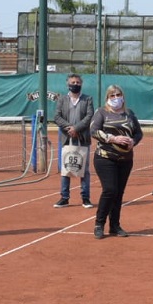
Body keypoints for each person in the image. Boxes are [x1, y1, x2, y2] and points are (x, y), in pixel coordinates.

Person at [90, 84, 143, 240]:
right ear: (107, 98)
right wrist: (112, 138)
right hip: (105, 158)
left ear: (123, 96)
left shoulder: (129, 113)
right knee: (110, 190)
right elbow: (93, 131)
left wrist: (134, 141)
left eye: (118, 95)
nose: (115, 98)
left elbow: (139, 133)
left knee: (119, 193)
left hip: (126, 160)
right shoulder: (101, 112)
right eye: (112, 95)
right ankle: (99, 224)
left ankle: (115, 225)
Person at [53, 73, 94, 209]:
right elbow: (57, 117)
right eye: (73, 82)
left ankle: (86, 198)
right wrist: (69, 128)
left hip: (83, 139)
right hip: (66, 139)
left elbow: (89, 116)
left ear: (81, 84)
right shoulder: (62, 100)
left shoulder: (88, 99)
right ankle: (64, 198)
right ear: (67, 84)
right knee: (66, 169)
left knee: (84, 170)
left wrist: (76, 128)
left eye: (77, 82)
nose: (75, 84)